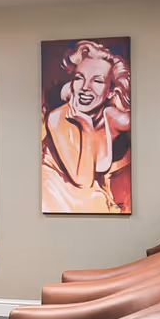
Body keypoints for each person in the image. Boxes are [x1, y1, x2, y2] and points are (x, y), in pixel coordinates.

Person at [41, 40, 130, 213]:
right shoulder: (58, 118)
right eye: (79, 78)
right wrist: (87, 128)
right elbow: (84, 181)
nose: (85, 88)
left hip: (92, 206)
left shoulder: (113, 117)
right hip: (57, 199)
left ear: (111, 91)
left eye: (97, 81)